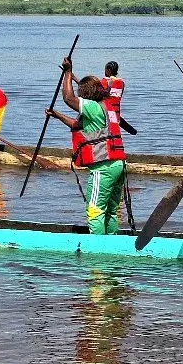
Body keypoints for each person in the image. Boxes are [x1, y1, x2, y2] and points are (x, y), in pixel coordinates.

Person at [45, 56, 127, 235]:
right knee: (111, 210)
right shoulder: (107, 107)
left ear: (86, 95)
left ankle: (97, 253)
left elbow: (68, 97)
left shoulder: (93, 107)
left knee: (95, 211)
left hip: (103, 167)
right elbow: (77, 126)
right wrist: (56, 115)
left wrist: (67, 72)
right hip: (118, 164)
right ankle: (112, 242)